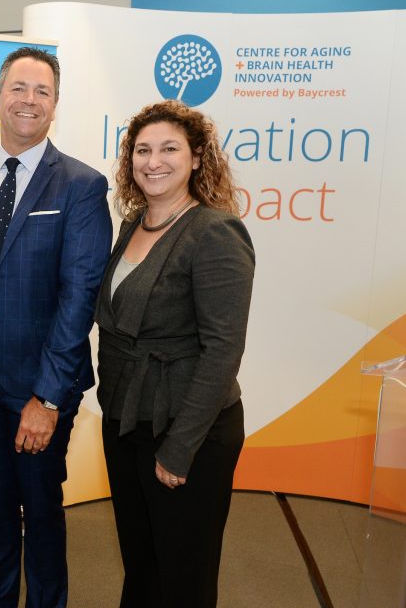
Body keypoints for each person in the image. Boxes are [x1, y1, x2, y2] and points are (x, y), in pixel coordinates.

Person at [0, 47, 112, 608]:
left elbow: (78, 298)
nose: (28, 100)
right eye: (18, 88)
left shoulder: (81, 185)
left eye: (41, 91)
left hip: (38, 386)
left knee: (40, 514)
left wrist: (48, 397)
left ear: (55, 104)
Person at [95, 100, 255, 608]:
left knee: (183, 574)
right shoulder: (133, 225)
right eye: (142, 150)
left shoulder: (215, 232)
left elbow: (223, 349)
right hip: (127, 421)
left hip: (188, 430)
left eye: (169, 148)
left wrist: (180, 446)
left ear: (196, 157)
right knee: (141, 564)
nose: (153, 161)